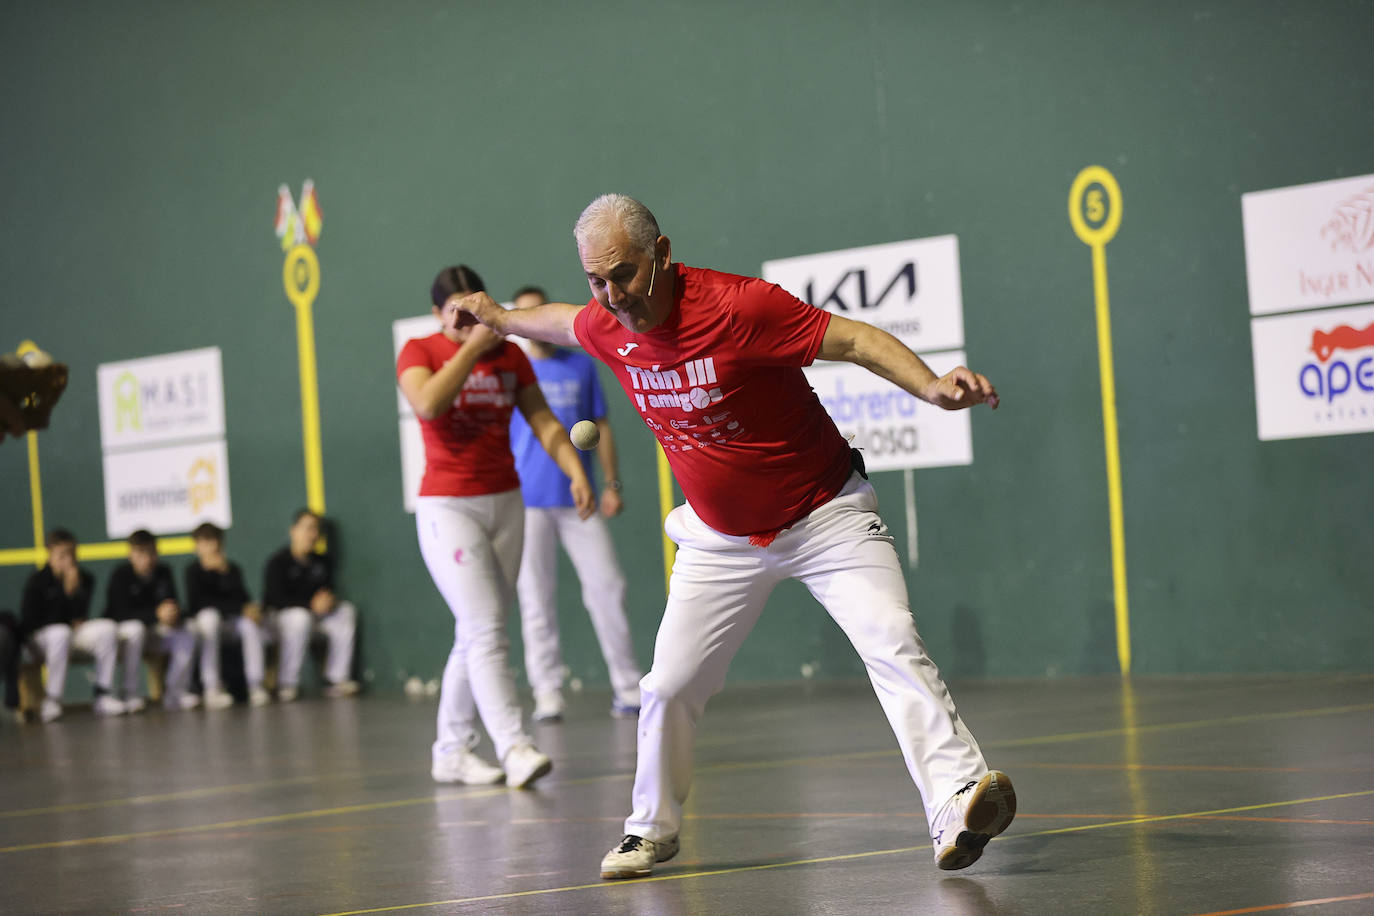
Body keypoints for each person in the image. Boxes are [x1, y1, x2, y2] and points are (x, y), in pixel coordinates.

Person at [452, 194, 1016, 880]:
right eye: (596, 280)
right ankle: (648, 830)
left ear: (661, 255)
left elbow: (857, 340)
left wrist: (930, 388)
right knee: (666, 685)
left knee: (891, 636)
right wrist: (504, 319)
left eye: (623, 274)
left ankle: (956, 801)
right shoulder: (608, 323)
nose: (612, 296)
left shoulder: (741, 307)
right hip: (718, 540)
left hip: (824, 514)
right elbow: (568, 323)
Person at [396, 265, 594, 789]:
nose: (465, 320)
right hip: (448, 507)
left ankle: (450, 750)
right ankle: (515, 746)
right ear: (437, 314)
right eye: (454, 312)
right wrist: (471, 348)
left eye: (472, 308)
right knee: (485, 627)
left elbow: (545, 422)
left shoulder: (510, 356)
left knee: (477, 629)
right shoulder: (420, 352)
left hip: (507, 502)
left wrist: (576, 473)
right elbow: (428, 403)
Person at [508, 285, 643, 722]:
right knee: (536, 598)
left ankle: (627, 687)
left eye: (537, 313)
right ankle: (547, 692)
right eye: (522, 315)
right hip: (525, 504)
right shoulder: (513, 372)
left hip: (578, 496)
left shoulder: (581, 366)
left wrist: (612, 484)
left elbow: (600, 424)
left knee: (608, 587)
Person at [19, 529, 125, 721]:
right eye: (62, 555)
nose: (69, 560)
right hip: (40, 641)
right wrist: (65, 594)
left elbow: (79, 617)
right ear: (50, 555)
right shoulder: (36, 581)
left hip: (70, 635)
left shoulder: (85, 578)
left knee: (107, 628)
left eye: (72, 553)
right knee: (60, 632)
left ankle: (103, 694)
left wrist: (73, 593)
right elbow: (30, 622)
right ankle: (52, 700)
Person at [260, 509, 359, 701]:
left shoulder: (322, 561)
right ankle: (287, 683)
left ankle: (337, 680)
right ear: (293, 531)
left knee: (346, 611)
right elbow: (274, 599)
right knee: (300, 617)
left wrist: (329, 601)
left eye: (315, 530)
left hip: (313, 618)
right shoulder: (278, 562)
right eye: (307, 528)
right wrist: (309, 605)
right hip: (280, 620)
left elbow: (327, 591)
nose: (312, 534)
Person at [105, 529, 197, 712]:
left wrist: (174, 614)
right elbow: (120, 614)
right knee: (135, 628)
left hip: (154, 634)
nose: (147, 559)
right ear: (131, 553)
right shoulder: (120, 575)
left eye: (151, 552)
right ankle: (130, 693)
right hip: (126, 638)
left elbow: (172, 602)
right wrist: (156, 615)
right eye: (140, 553)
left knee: (187, 631)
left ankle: (175, 691)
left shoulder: (164, 572)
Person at [185, 522, 269, 707]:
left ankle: (255, 685)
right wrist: (235, 606)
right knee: (209, 618)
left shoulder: (232, 569)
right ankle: (211, 688)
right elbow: (198, 604)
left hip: (230, 624)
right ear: (197, 546)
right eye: (206, 542)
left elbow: (243, 600)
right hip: (207, 627)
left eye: (216, 541)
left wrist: (225, 574)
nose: (213, 547)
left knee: (249, 624)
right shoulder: (193, 571)